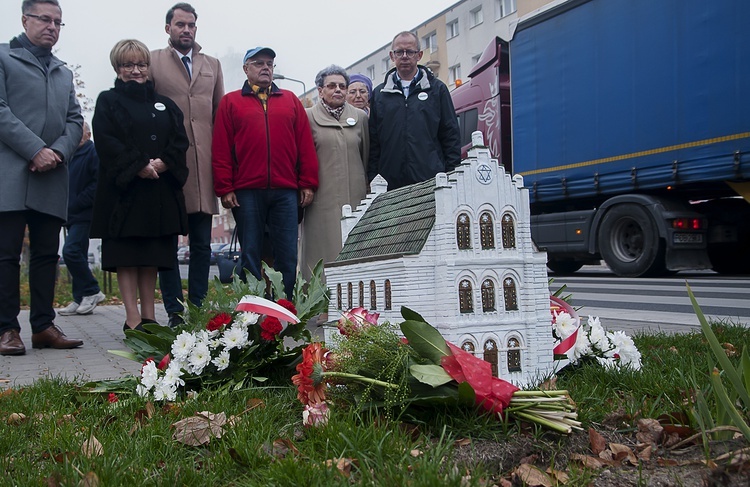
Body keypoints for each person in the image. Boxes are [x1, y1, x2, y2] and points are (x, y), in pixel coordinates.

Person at [0, 0, 84, 355]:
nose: (52, 26)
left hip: (52, 174)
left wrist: (59, 152)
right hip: (11, 173)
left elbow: (75, 120)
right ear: (25, 19)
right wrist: (36, 149)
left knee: (48, 255)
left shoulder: (63, 72)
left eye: (58, 22)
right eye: (45, 19)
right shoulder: (4, 58)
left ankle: (43, 326)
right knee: (6, 255)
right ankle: (6, 329)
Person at [91, 39, 189, 333]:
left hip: (158, 193)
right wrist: (138, 166)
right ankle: (132, 319)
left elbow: (179, 141)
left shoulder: (165, 104)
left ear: (148, 66)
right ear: (118, 68)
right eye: (128, 65)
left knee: (151, 258)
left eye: (141, 64)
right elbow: (106, 140)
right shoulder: (108, 101)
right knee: (128, 258)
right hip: (124, 196)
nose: (135, 70)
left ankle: (150, 318)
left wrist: (163, 163)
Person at [212, 46, 318, 299]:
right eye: (258, 63)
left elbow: (305, 144)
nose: (265, 68)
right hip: (247, 191)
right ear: (246, 69)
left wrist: (307, 183)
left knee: (287, 253)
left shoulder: (291, 100)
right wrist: (224, 187)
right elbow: (221, 148)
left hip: (285, 191)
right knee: (250, 251)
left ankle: (286, 306)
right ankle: (253, 309)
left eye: (269, 63)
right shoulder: (231, 102)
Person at [150, 2, 224, 328]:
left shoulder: (212, 65)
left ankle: (196, 309)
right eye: (180, 25)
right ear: (168, 28)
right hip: (168, 169)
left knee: (202, 245)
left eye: (191, 25)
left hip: (203, 167)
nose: (187, 30)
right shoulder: (153, 62)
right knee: (166, 244)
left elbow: (219, 116)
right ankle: (174, 313)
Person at [368, 31, 461, 191]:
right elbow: (374, 142)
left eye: (410, 51)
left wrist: (452, 175)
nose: (404, 56)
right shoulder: (379, 94)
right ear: (392, 56)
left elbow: (450, 135)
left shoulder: (437, 90)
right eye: (399, 52)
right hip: (391, 185)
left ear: (419, 55)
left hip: (430, 180)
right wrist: (373, 179)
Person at [302, 65, 368, 281]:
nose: (337, 90)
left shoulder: (360, 117)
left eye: (342, 86)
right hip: (321, 200)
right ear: (320, 90)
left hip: (356, 198)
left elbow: (366, 155)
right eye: (331, 86)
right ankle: (319, 306)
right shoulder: (308, 117)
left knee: (356, 251)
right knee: (321, 253)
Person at [58, 122, 106, 316]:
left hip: (85, 214)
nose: (75, 137)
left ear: (88, 134)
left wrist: (76, 202)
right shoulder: (70, 156)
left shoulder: (93, 153)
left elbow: (97, 185)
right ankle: (80, 298)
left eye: (80, 133)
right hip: (72, 215)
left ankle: (92, 290)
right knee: (78, 254)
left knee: (70, 251)